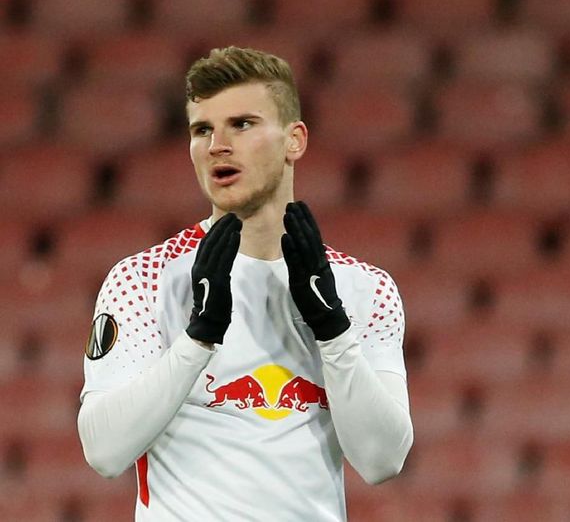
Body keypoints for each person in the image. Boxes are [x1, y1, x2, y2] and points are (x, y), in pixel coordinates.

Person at [77, 46, 413, 521]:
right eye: (202, 130)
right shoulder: (142, 280)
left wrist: (332, 331)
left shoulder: (365, 288)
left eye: (242, 124)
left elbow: (382, 460)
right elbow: (103, 451)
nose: (217, 145)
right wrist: (197, 340)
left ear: (294, 140)